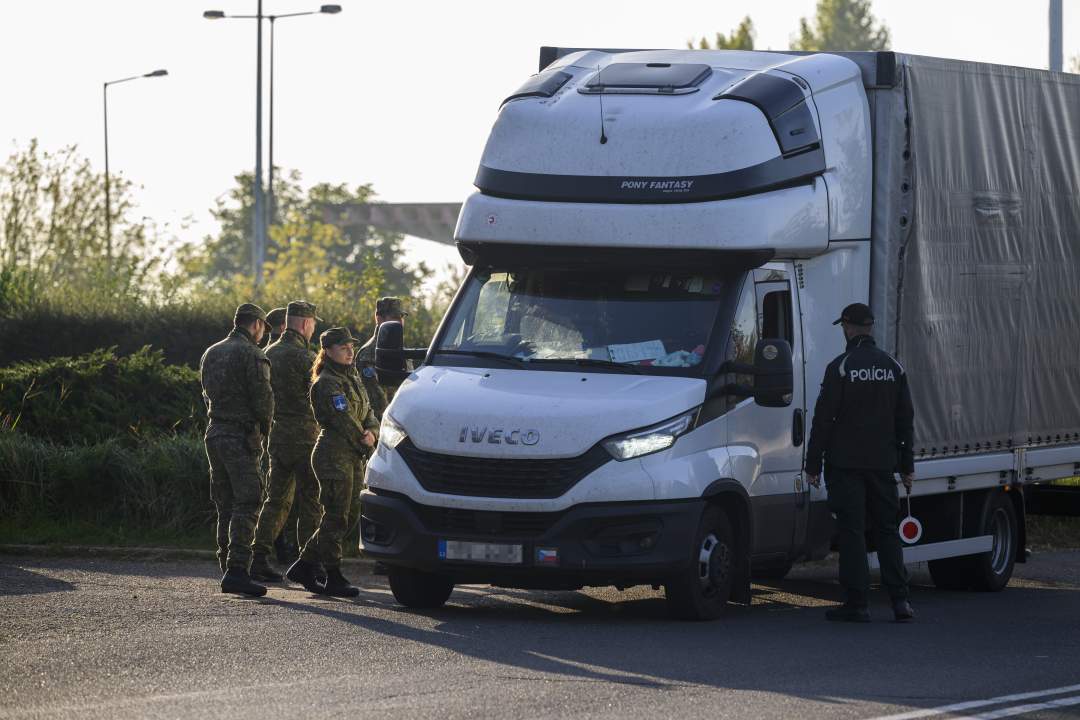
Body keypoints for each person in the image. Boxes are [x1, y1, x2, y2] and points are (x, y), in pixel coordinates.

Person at [805, 303, 916, 623]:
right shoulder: (893, 367)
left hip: (846, 464)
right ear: (870, 327)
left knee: (852, 531)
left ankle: (857, 604)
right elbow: (905, 421)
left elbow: (823, 420)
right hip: (883, 463)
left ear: (849, 328)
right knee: (887, 530)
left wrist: (813, 465)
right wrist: (906, 466)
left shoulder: (841, 366)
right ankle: (900, 601)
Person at [286, 327, 379, 597]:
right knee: (336, 515)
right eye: (343, 348)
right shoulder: (326, 382)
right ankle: (333, 574)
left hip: (352, 454)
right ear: (327, 352)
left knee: (347, 516)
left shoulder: (353, 376)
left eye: (351, 346)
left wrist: (372, 431)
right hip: (333, 454)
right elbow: (343, 419)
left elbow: (369, 411)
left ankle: (305, 564)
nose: (350, 351)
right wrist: (364, 439)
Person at [199, 303, 275, 597]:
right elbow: (263, 400)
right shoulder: (253, 354)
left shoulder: (211, 351)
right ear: (256, 324)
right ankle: (238, 569)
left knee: (225, 502)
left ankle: (226, 565)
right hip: (240, 436)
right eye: (262, 329)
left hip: (215, 432)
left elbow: (206, 393)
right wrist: (265, 432)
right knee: (249, 499)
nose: (262, 335)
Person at [250, 300, 323, 582]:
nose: (313, 329)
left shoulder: (267, 353)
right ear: (305, 324)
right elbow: (319, 397)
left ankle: (258, 557)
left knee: (275, 500)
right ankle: (310, 563)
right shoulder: (307, 358)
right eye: (314, 324)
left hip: (277, 435)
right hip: (306, 436)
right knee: (311, 501)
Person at [355, 296, 410, 419]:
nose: (400, 322)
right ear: (379, 319)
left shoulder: (401, 347)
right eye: (395, 318)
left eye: (401, 317)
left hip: (404, 419)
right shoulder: (368, 354)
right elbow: (377, 400)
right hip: (384, 423)